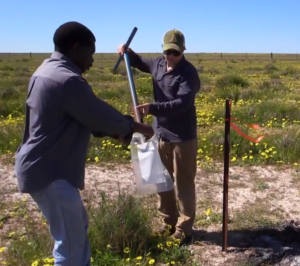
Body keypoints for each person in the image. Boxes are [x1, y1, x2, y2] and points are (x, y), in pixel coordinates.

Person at [14, 21, 154, 266]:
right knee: (69, 245)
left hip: (44, 167)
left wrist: (111, 131)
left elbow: (83, 117)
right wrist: (135, 127)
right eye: (91, 53)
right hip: (50, 171)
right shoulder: (66, 79)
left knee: (77, 231)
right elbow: (98, 114)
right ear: (77, 48)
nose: (91, 60)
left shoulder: (45, 70)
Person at [118, 29, 201, 245]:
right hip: (161, 133)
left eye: (175, 52)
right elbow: (138, 62)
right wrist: (127, 52)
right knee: (161, 180)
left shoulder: (189, 74)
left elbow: (182, 104)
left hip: (183, 137)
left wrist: (151, 108)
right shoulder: (158, 64)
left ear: (183, 50)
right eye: (167, 52)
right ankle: (169, 221)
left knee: (183, 183)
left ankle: (185, 228)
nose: (171, 56)